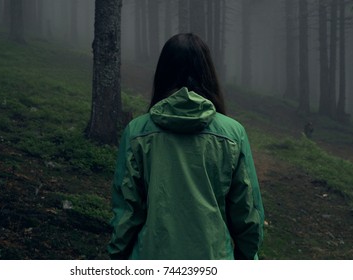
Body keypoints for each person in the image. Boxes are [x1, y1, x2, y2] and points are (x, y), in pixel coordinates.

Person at [107, 33, 264, 260]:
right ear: (208, 74)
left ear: (163, 73)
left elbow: (127, 211)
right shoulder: (232, 134)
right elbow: (247, 211)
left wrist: (116, 256)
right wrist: (248, 256)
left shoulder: (138, 132)